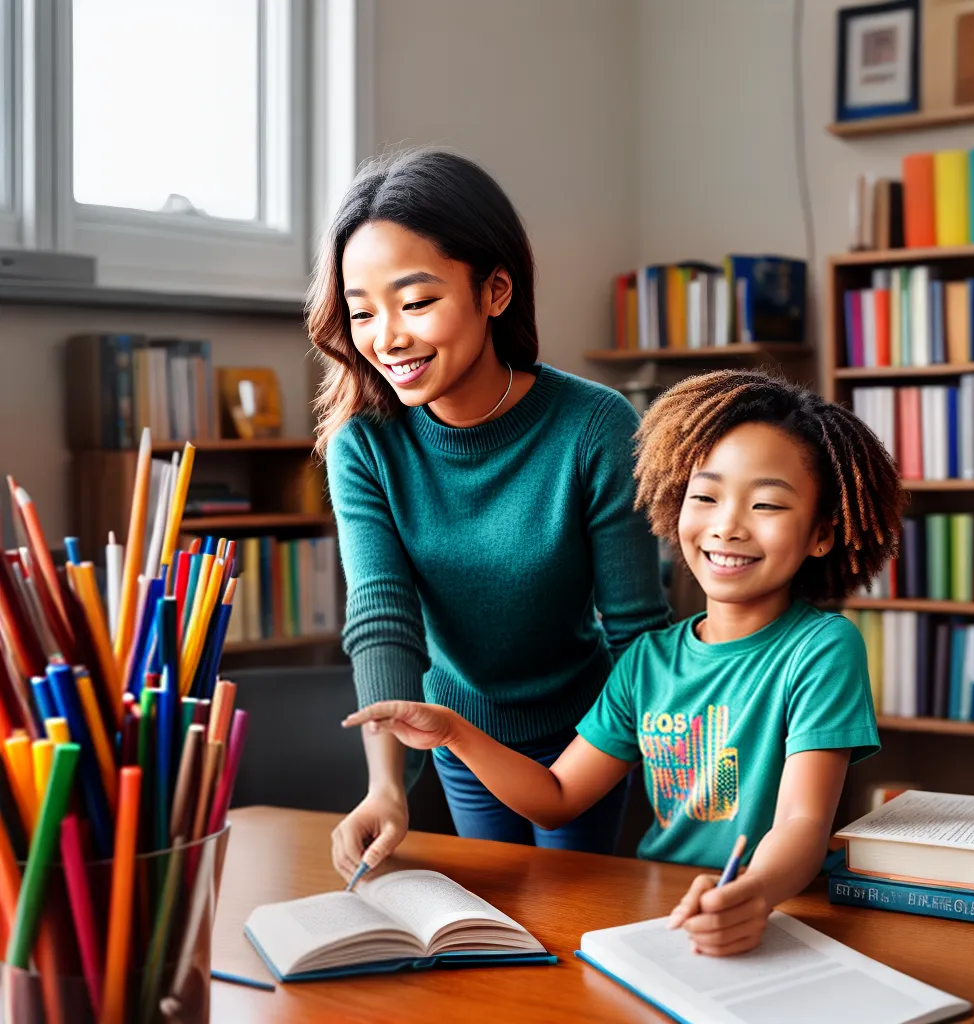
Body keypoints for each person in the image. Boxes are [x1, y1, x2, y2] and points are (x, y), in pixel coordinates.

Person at [344, 369, 906, 957]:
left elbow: (801, 823)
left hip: (772, 916)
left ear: (821, 533)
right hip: (659, 916)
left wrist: (755, 893)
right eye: (706, 496)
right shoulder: (645, 662)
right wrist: (454, 730)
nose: (727, 526)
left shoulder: (822, 648)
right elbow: (556, 797)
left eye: (766, 504)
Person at [309, 149, 670, 878]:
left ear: (495, 290)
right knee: (504, 923)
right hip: (457, 730)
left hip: (587, 732)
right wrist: (386, 786)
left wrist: (683, 787)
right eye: (363, 312)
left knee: (574, 916)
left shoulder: (593, 424)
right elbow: (383, 613)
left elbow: (637, 630)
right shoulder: (364, 442)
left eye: (415, 302)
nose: (388, 336)